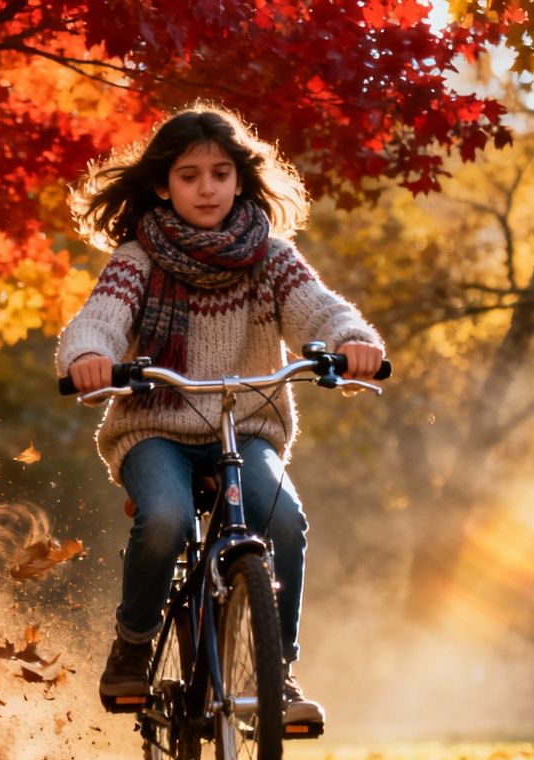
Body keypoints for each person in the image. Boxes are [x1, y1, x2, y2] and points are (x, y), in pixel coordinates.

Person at [56, 103, 386, 726]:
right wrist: (91, 358)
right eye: (188, 175)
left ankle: (276, 676)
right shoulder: (139, 259)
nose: (206, 188)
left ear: (240, 178)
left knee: (282, 519)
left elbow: (319, 309)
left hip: (247, 429)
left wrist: (352, 343)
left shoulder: (269, 255)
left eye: (219, 173)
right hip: (155, 428)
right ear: (162, 183)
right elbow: (99, 319)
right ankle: (133, 645)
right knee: (166, 519)